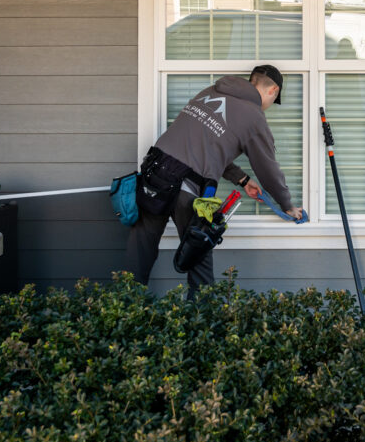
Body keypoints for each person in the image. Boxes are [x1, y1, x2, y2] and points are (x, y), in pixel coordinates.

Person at [125, 64, 304, 291]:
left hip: (154, 172)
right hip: (187, 187)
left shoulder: (211, 91)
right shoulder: (254, 116)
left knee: (141, 247)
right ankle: (200, 320)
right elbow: (268, 169)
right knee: (198, 254)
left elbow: (207, 145)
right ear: (273, 91)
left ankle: (125, 309)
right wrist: (288, 206)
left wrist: (242, 180)